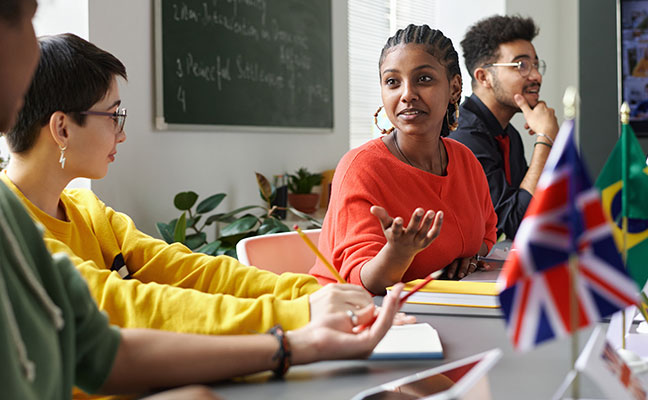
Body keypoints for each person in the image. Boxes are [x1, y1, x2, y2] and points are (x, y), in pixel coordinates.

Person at [0, 2, 405, 398]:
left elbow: (191, 271)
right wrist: (301, 318)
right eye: (113, 116)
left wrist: (309, 294)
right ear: (63, 128)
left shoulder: (88, 212)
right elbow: (132, 307)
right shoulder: (19, 228)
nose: (121, 134)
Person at [310, 24, 498, 295]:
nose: (407, 94)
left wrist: (467, 259)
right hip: (355, 317)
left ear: (455, 87)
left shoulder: (465, 160)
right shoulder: (362, 167)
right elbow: (365, 282)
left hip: (435, 311)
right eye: (392, 82)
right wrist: (398, 253)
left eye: (423, 79)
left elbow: (487, 234)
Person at [449, 15, 559, 240]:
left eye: (536, 65)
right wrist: (545, 139)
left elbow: (539, 212)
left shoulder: (510, 135)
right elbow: (515, 224)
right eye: (521, 65)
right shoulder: (464, 134)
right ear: (484, 77)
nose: (536, 76)